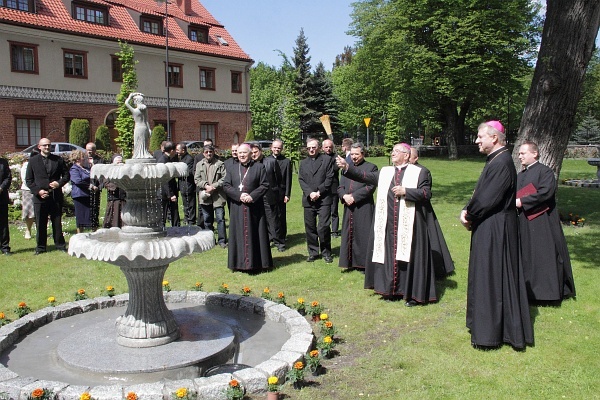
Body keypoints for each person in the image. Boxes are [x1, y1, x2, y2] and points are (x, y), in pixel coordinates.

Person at [337, 143, 442, 306]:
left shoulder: (421, 172)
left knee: (409, 257)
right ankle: (390, 289)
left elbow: (426, 193)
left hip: (410, 224)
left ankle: (413, 294)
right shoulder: (386, 172)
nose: (392, 154)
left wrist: (406, 191)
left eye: (396, 152)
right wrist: (347, 167)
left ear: (406, 155)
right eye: (392, 151)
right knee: (389, 255)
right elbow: (365, 176)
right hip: (388, 223)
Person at [460, 121, 533, 350]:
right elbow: (480, 192)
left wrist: (469, 214)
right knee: (488, 275)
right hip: (491, 224)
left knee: (491, 277)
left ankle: (490, 334)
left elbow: (488, 198)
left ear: (494, 138)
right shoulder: (496, 159)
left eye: (480, 136)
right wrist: (469, 208)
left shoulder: (501, 162)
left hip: (496, 228)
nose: (476, 141)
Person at [516, 141, 576, 303]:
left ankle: (547, 293)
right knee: (527, 255)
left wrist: (522, 201)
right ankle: (529, 292)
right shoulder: (520, 175)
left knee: (544, 255)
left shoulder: (545, 172)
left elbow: (546, 193)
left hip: (543, 221)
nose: (519, 156)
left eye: (523, 153)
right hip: (524, 221)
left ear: (534, 153)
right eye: (519, 153)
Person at [223, 143, 273, 272]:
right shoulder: (232, 169)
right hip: (237, 207)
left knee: (256, 234)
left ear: (251, 154)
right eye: (240, 153)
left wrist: (252, 196)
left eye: (244, 153)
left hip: (254, 207)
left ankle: (258, 264)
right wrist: (239, 195)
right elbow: (226, 186)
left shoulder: (259, 167)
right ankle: (238, 264)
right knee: (238, 234)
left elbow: (264, 185)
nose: (242, 155)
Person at [409, 147, 455, 279]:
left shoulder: (423, 171)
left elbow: (426, 193)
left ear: (416, 158)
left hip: (422, 210)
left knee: (430, 239)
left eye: (410, 156)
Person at [25, 138, 70, 254]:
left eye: (49, 145)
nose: (47, 147)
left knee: (57, 222)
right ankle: (40, 247)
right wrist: (38, 191)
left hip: (55, 196)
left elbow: (66, 175)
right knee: (40, 223)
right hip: (40, 197)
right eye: (45, 145)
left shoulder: (58, 160)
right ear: (39, 147)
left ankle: (60, 245)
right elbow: (29, 180)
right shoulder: (33, 161)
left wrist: (59, 183)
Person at [337, 143, 377, 271]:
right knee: (349, 234)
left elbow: (370, 186)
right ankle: (349, 262)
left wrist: (354, 197)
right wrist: (344, 196)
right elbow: (340, 186)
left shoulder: (371, 167)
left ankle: (363, 264)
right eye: (352, 154)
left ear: (363, 154)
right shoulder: (346, 168)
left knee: (363, 235)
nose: (354, 157)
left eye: (357, 154)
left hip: (363, 206)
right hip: (348, 206)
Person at [298, 138, 335, 263]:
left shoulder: (327, 160)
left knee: (323, 227)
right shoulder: (303, 163)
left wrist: (319, 192)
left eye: (313, 147)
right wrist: (310, 193)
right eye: (309, 148)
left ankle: (326, 252)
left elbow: (329, 178)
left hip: (323, 198)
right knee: (310, 227)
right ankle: (313, 252)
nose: (311, 150)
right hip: (309, 199)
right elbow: (301, 180)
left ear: (318, 147)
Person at [251, 143, 284, 252]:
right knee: (260, 220)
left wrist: (279, 195)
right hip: (256, 197)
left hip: (269, 195)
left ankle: (279, 242)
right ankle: (265, 240)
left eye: (255, 152)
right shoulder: (250, 164)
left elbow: (279, 179)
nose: (253, 155)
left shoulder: (271, 162)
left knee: (273, 220)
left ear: (261, 151)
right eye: (252, 153)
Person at [195, 145, 227, 248]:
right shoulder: (199, 164)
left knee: (220, 219)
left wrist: (213, 186)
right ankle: (210, 240)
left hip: (218, 196)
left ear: (214, 152)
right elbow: (197, 179)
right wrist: (205, 186)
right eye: (207, 152)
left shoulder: (220, 164)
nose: (209, 153)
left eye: (210, 152)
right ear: (203, 153)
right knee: (207, 219)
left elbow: (224, 178)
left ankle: (222, 241)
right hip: (205, 196)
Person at [270, 139, 292, 246]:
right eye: (275, 147)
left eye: (279, 148)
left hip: (281, 193)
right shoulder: (266, 160)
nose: (276, 149)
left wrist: (287, 194)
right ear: (271, 148)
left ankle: (282, 236)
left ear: (281, 149)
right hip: (269, 193)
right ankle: (271, 236)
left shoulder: (286, 161)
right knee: (270, 215)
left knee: (281, 216)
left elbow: (288, 179)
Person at [69, 150, 94, 233]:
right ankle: (79, 234)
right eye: (83, 157)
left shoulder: (86, 168)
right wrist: (89, 186)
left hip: (87, 194)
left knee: (90, 216)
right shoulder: (74, 169)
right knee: (81, 217)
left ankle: (93, 233)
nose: (85, 158)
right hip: (79, 195)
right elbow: (77, 181)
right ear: (77, 159)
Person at [157, 141, 180, 227]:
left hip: (168, 192)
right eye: (175, 150)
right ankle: (162, 233)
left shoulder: (168, 159)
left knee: (174, 213)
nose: (176, 152)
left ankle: (176, 229)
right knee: (163, 216)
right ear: (171, 150)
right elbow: (164, 180)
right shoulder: (163, 161)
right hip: (164, 193)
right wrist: (170, 194)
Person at [125, 92, 153, 159]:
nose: (134, 101)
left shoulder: (135, 111)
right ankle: (144, 154)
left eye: (134, 100)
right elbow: (146, 120)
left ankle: (138, 155)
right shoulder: (144, 109)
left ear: (137, 101)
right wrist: (149, 129)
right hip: (145, 128)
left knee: (137, 143)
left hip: (138, 128)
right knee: (144, 143)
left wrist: (130, 96)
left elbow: (126, 103)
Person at [322, 139, 341, 238]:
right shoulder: (320, 158)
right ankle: (324, 229)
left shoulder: (336, 157)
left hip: (333, 187)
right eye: (326, 147)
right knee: (324, 211)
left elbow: (334, 169)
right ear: (322, 148)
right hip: (323, 187)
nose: (328, 149)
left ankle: (334, 230)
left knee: (334, 210)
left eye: (330, 147)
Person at [176, 143, 197, 226]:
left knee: (190, 203)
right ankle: (186, 217)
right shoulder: (181, 158)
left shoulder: (189, 159)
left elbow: (190, 172)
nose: (177, 152)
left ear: (183, 150)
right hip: (182, 185)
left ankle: (191, 220)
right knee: (185, 203)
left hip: (189, 185)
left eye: (178, 150)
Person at [83, 142, 103, 230]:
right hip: (86, 186)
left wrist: (93, 165)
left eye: (91, 151)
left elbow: (101, 173)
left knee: (95, 206)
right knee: (86, 206)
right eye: (87, 150)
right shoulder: (83, 159)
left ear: (94, 151)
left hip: (96, 186)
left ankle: (95, 225)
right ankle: (86, 224)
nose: (89, 152)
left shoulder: (100, 160)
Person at [103, 154, 126, 228]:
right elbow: (106, 183)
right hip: (114, 198)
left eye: (121, 162)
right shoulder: (108, 172)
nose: (119, 164)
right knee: (113, 217)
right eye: (117, 162)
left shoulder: (125, 172)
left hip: (123, 199)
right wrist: (115, 186)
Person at [20, 153, 36, 240]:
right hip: (28, 190)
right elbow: (25, 180)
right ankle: (28, 230)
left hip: (41, 190)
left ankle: (40, 231)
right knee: (29, 212)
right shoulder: (26, 165)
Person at [0, 155, 12, 255]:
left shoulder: (3, 162)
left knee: (3, 224)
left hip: (1, 197)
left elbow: (8, 177)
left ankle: (5, 247)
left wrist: (1, 188)